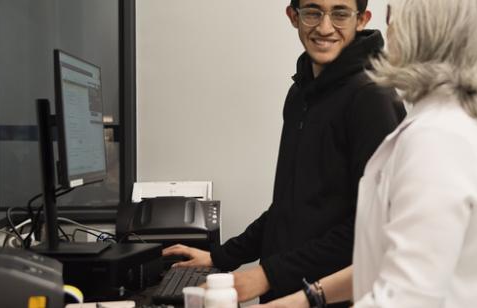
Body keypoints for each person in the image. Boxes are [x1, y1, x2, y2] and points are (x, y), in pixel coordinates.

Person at [255, 0, 477, 306]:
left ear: (433, 34)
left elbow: (406, 297)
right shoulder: (469, 125)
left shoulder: (441, 138)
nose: (386, 30)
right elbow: (395, 260)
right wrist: (309, 298)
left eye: (394, 17)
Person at [162, 0, 405, 304]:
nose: (325, 27)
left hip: (332, 297)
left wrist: (266, 275)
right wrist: (220, 257)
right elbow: (291, 208)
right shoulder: (301, 93)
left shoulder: (371, 97)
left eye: (340, 13)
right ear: (293, 16)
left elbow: (369, 228)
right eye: (313, 12)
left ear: (362, 19)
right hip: (287, 292)